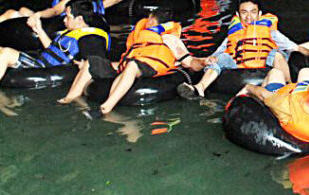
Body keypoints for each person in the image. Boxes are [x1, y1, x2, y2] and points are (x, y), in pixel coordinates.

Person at [0, 0, 110, 100]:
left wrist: (81, 64)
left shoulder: (89, 36)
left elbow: (95, 59)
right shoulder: (69, 32)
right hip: (43, 59)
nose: (64, 20)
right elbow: (52, 48)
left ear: (79, 19)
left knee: (6, 53)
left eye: (68, 17)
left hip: (45, 66)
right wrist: (39, 29)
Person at [58, 8, 203, 115]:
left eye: (149, 19)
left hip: (150, 66)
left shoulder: (169, 38)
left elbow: (188, 60)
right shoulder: (142, 35)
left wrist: (203, 62)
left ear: (153, 20)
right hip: (130, 63)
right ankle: (70, 97)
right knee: (92, 62)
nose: (146, 21)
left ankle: (106, 107)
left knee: (132, 66)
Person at [178, 0, 297, 99]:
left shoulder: (270, 31)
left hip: (266, 64)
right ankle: (200, 88)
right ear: (238, 15)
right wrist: (203, 61)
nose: (249, 17)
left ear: (259, 14)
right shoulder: (233, 35)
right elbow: (216, 55)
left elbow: (293, 47)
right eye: (244, 12)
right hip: (239, 66)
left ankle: (289, 88)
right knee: (222, 57)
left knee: (277, 54)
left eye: (253, 12)